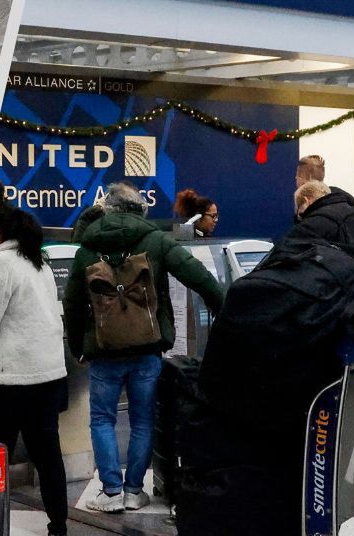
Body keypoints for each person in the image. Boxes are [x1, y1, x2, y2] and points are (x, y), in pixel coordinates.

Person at [65, 183, 224, 513]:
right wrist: (221, 307)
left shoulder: (86, 249)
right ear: (139, 210)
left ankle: (110, 492)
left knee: (102, 420)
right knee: (142, 420)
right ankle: (134, 491)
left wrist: (79, 346)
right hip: (146, 348)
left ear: (107, 209)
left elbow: (73, 302)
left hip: (104, 351)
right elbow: (199, 276)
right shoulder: (157, 240)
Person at [0, 204, 69, 536]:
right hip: (48, 374)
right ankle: (58, 527)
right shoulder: (37, 261)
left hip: (13, 378)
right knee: (48, 455)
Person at [282, 180, 354, 294]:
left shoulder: (318, 221)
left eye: (300, 214)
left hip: (339, 299)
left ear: (306, 200)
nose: (302, 219)